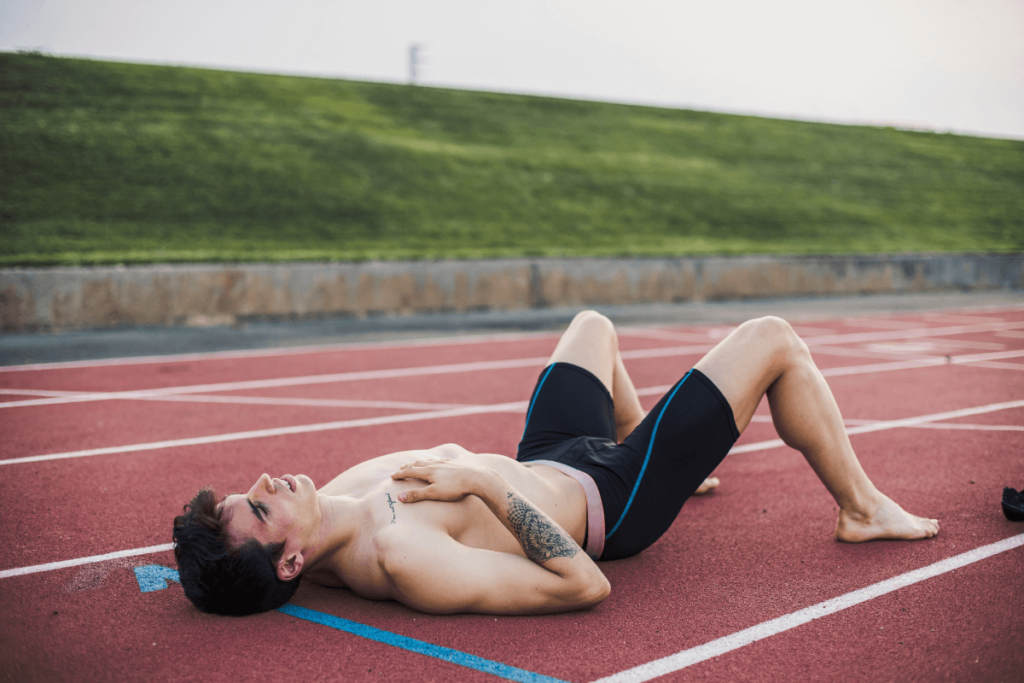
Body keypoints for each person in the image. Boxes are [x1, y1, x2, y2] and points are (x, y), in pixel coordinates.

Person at [173, 312, 939, 616]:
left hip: (551, 456)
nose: (269, 479)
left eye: (254, 490)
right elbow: (584, 582)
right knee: (774, 339)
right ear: (291, 560)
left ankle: (655, 437)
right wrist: (479, 479)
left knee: (593, 327)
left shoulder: (327, 508)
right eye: (264, 507)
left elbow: (231, 560)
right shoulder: (404, 557)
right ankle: (863, 508)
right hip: (613, 499)